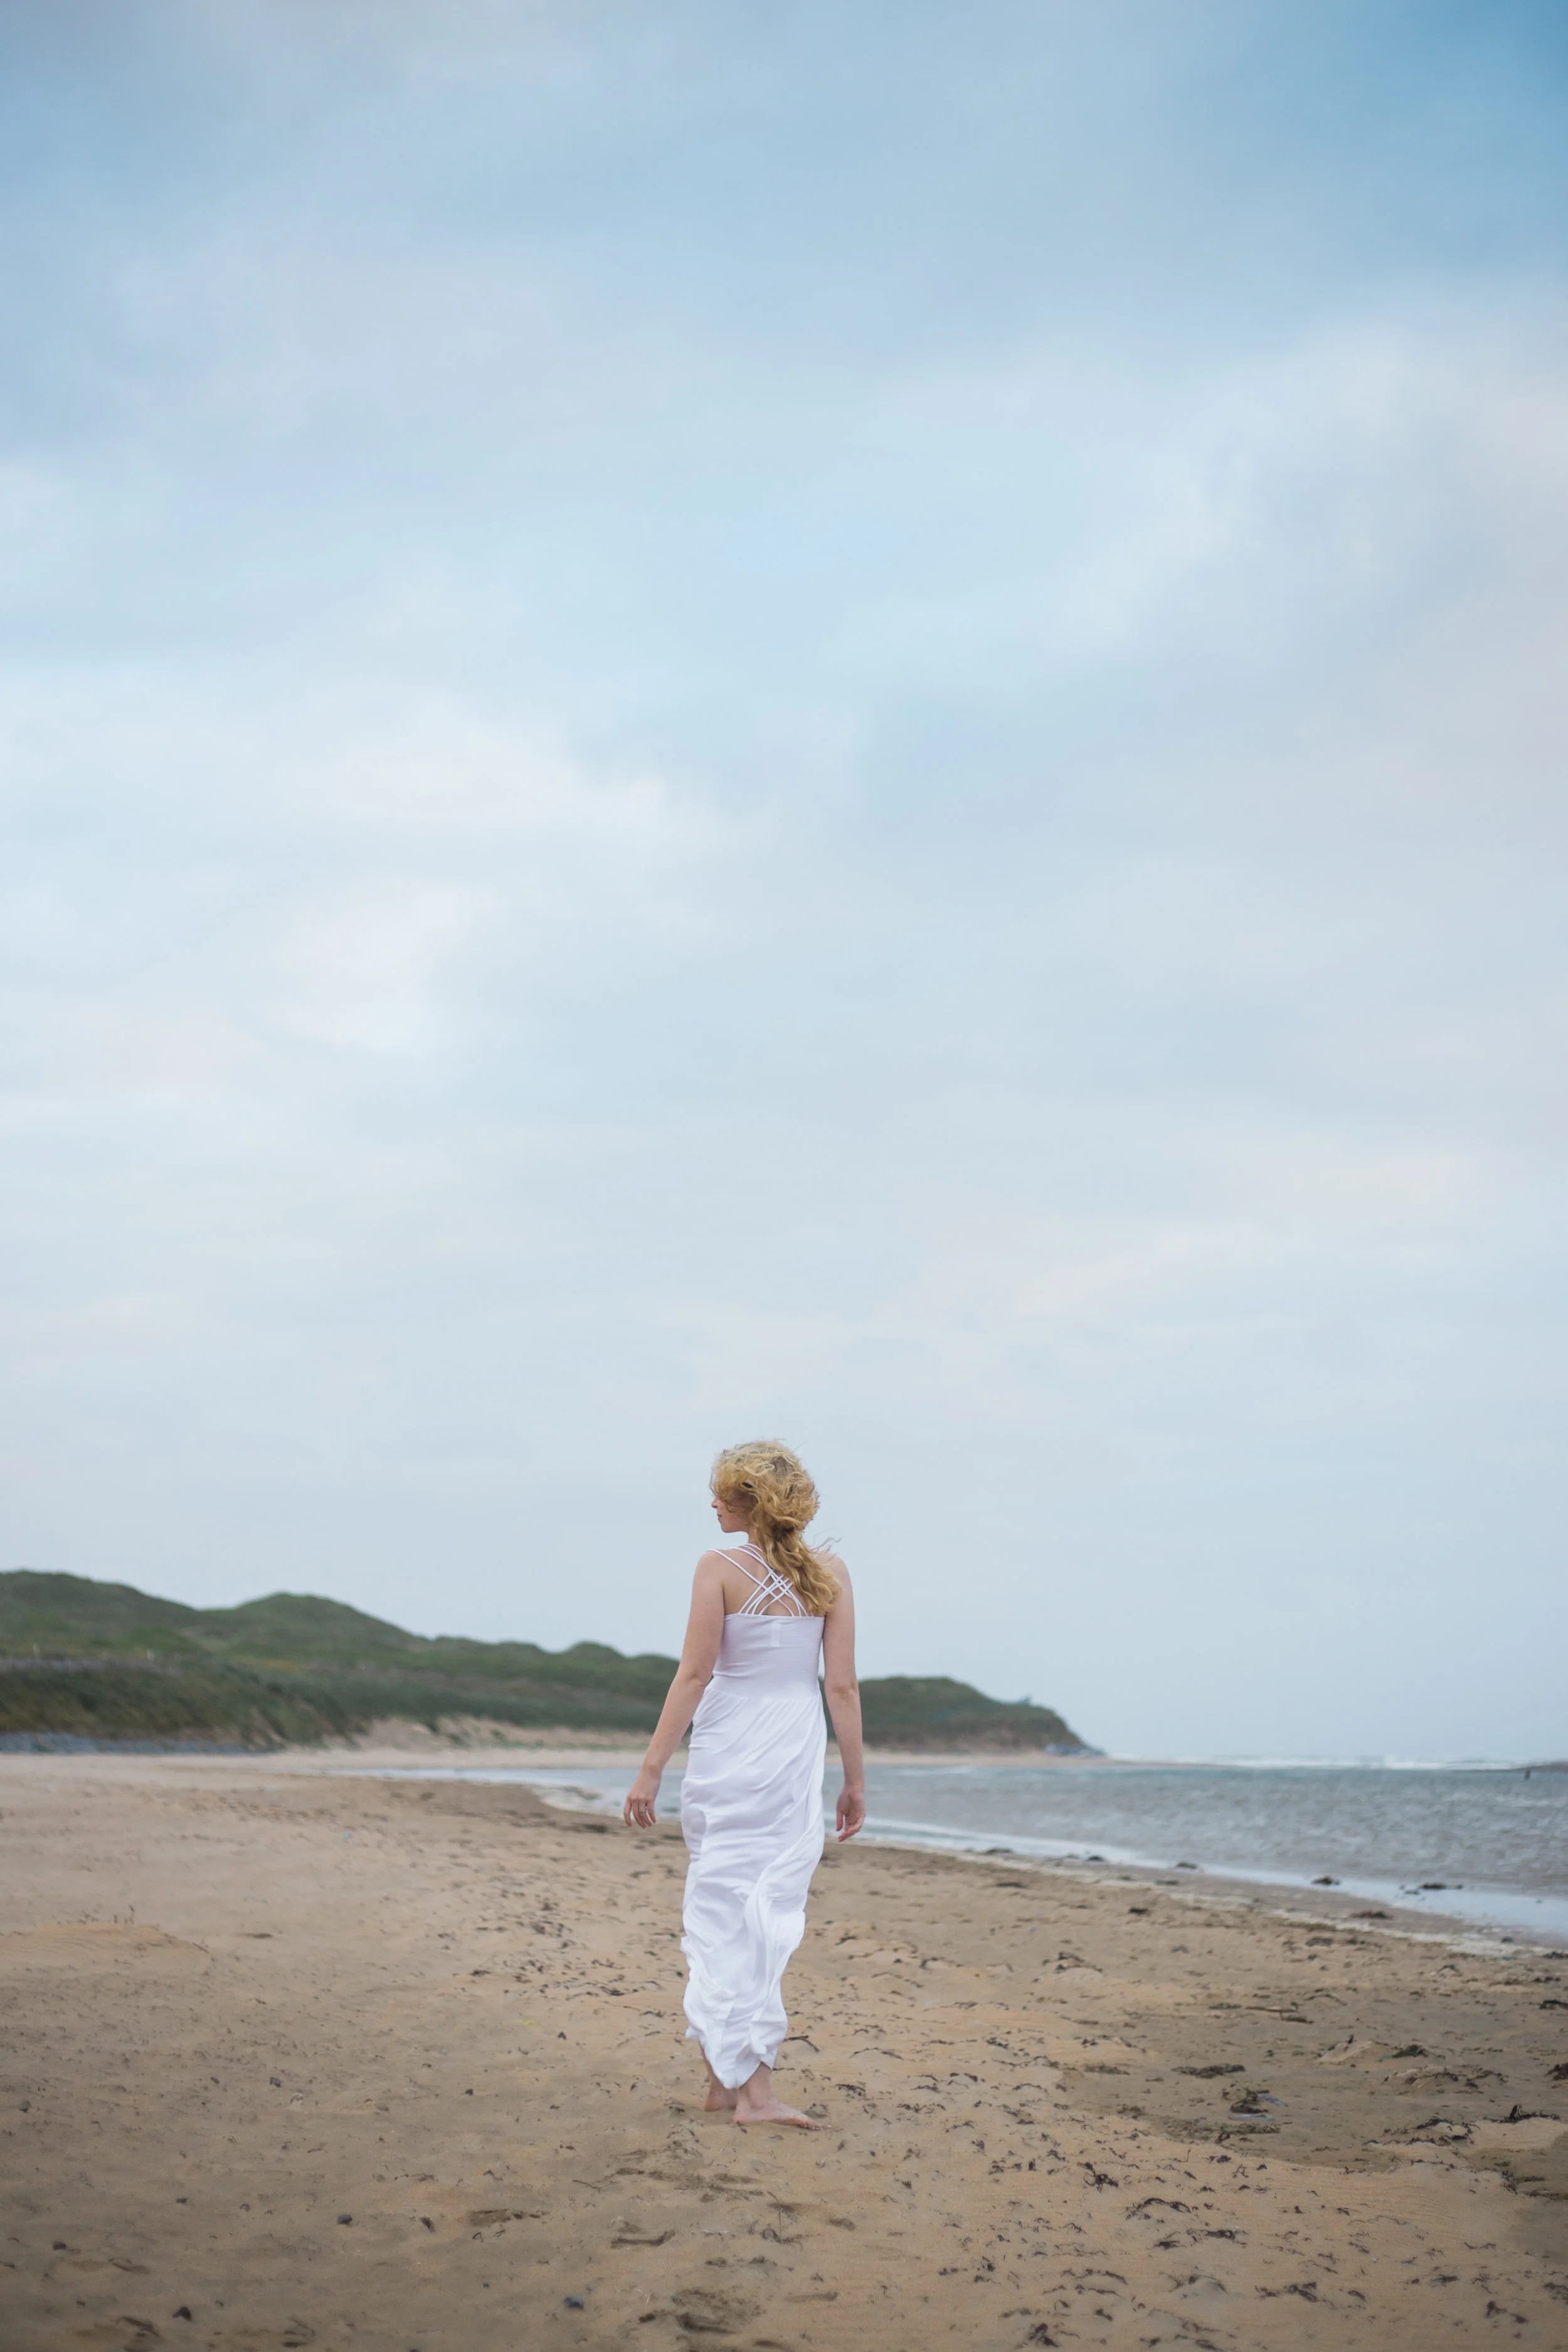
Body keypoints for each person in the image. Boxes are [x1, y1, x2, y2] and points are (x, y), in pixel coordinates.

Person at [623, 1440, 866, 2128]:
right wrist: (854, 1780)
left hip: (729, 1745)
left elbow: (694, 1676)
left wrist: (652, 1769)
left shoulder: (718, 1568)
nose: (713, 1504)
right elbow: (841, 1688)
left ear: (753, 1504)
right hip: (789, 1748)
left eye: (725, 1495)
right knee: (764, 1910)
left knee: (724, 1902)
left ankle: (730, 2083)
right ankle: (747, 2092)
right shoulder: (832, 1573)